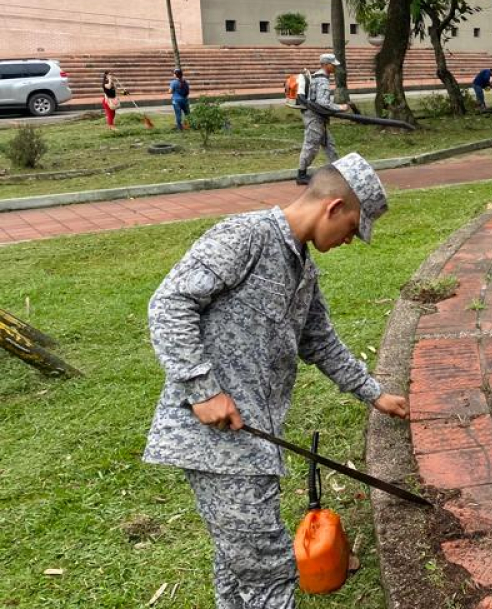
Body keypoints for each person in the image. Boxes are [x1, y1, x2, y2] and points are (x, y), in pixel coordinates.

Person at [143, 152, 409, 609]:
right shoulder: (245, 236)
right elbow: (169, 304)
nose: (349, 240)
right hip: (217, 443)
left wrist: (374, 394)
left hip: (255, 439)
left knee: (236, 563)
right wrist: (203, 389)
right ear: (333, 208)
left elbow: (320, 341)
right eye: (351, 229)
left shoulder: (303, 268)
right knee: (269, 571)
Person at [296, 53, 348, 186]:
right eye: (332, 64)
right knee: (311, 146)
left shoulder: (317, 76)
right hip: (315, 118)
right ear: (325, 64)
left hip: (318, 118)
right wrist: (340, 107)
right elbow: (323, 102)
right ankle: (301, 175)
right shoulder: (322, 80)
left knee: (329, 145)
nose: (335, 67)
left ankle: (338, 171)